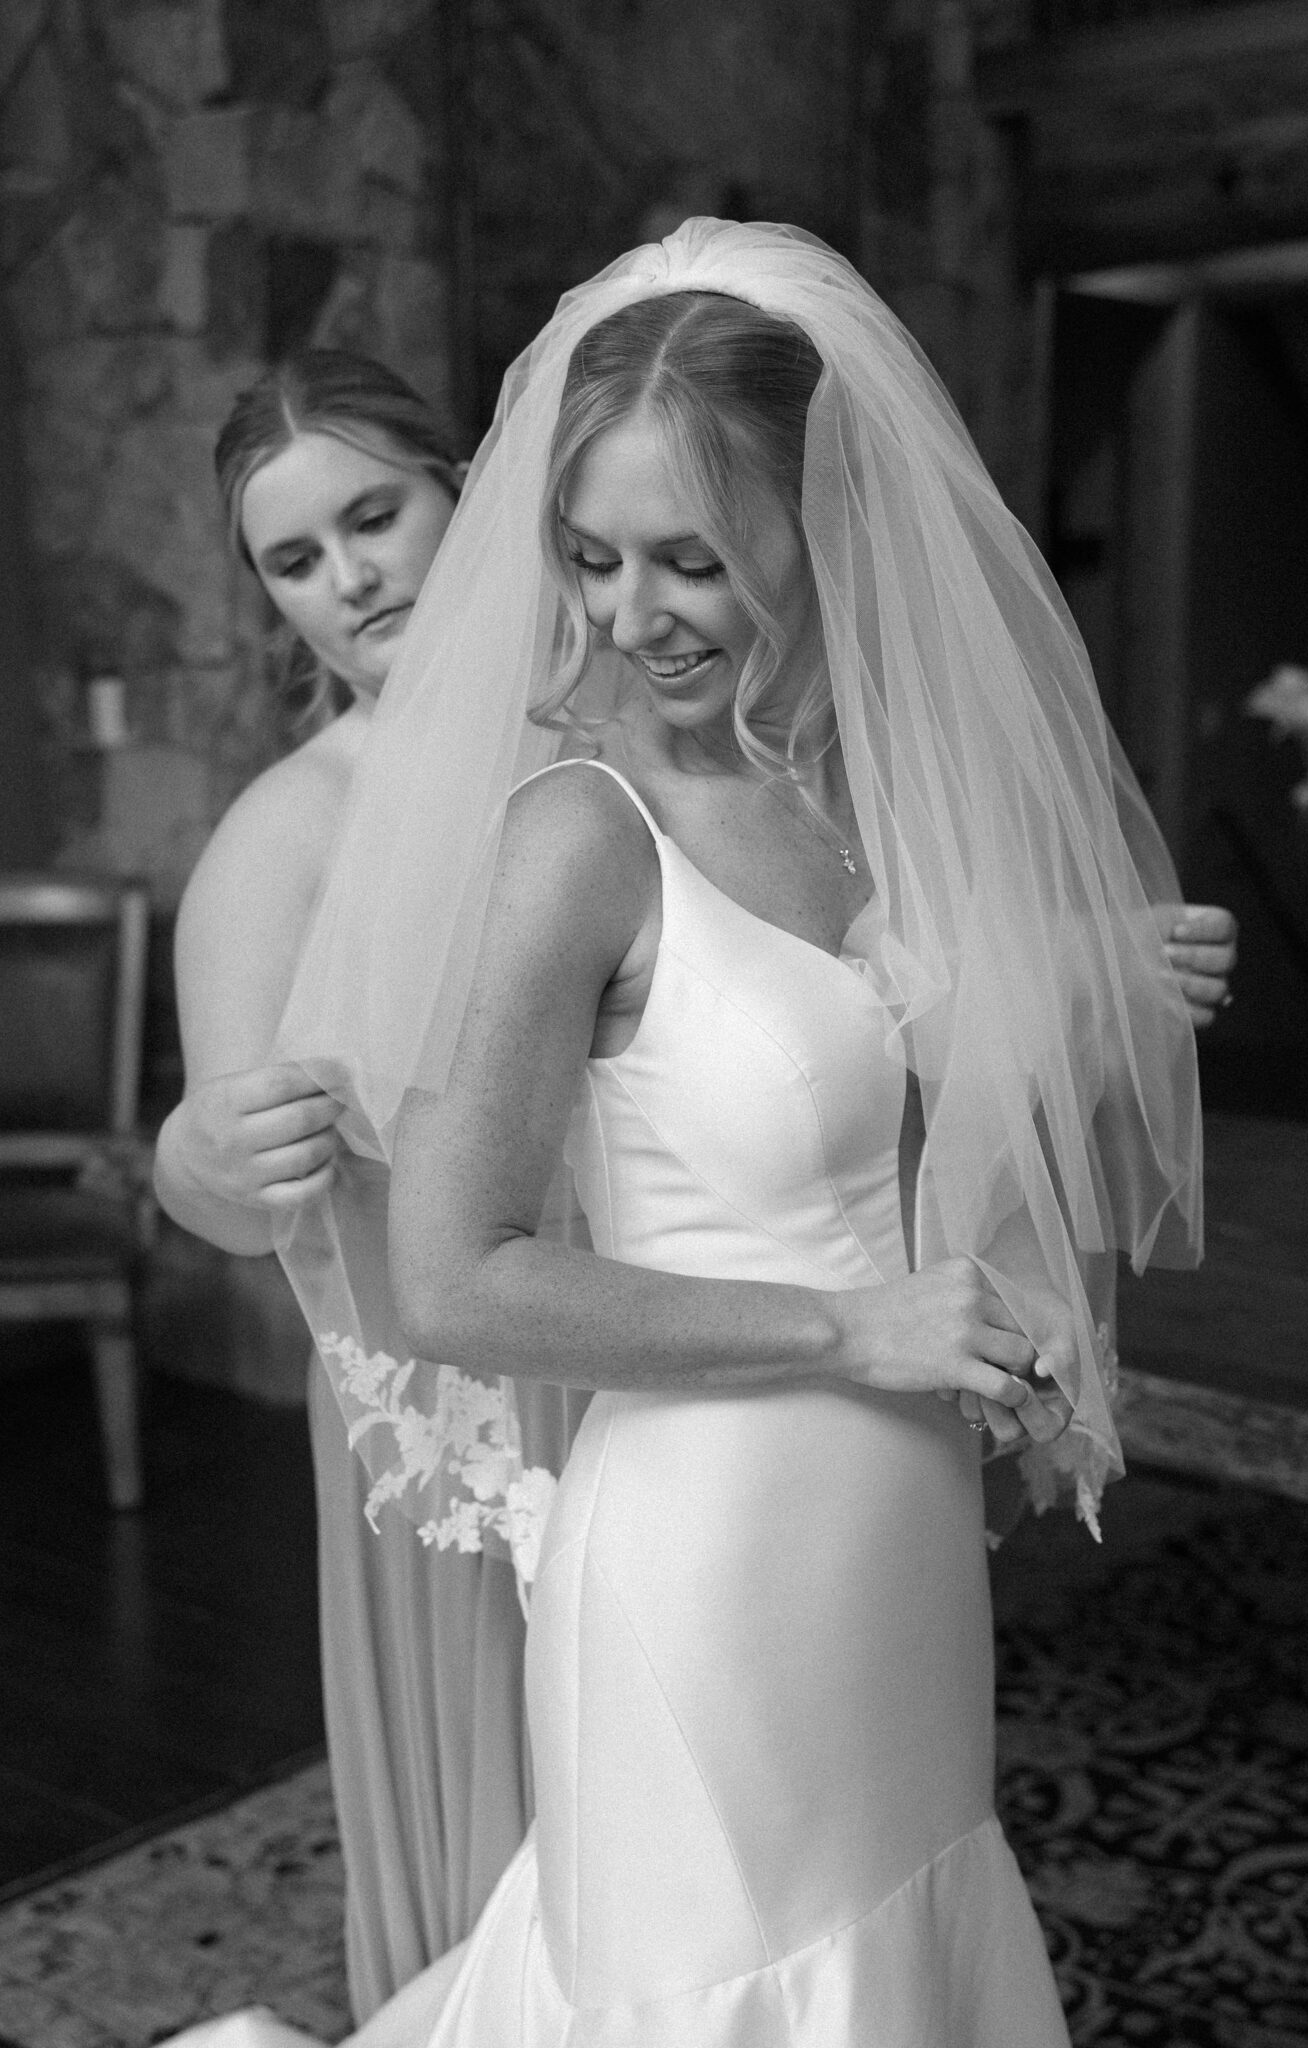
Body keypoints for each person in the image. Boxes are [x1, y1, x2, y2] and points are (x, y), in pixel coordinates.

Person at [186, 217, 1229, 2046]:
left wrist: (991, 1296)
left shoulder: (833, 795)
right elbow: (442, 1277)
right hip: (702, 1554)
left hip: (888, 1524)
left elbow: (858, 1128)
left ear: (823, 541)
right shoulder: (576, 834)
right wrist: (851, 1327)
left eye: (693, 560)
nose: (626, 613)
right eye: (590, 558)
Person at [152, 350, 536, 2024]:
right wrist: (202, 1156)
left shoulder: (640, 739)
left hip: (679, 1336)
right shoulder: (285, 834)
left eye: (373, 517)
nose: (348, 577)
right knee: (520, 1827)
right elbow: (220, 1190)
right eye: (294, 561)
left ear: (468, 491)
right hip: (459, 1420)